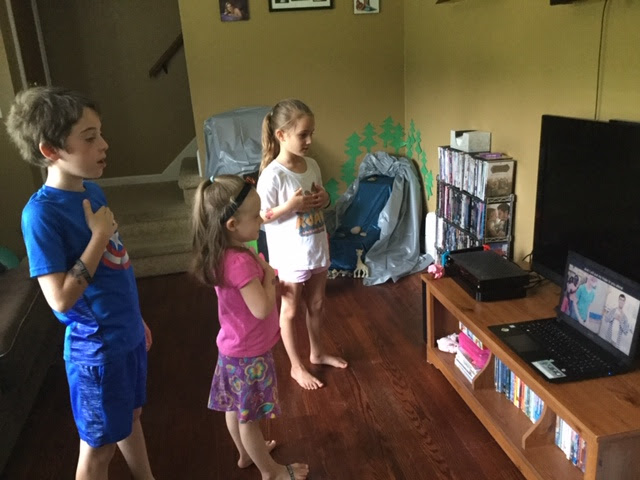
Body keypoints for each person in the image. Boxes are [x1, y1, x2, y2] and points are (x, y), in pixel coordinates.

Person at [5, 86, 154, 480]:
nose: (104, 144)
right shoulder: (40, 215)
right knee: (98, 451)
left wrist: (134, 320)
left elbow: (114, 269)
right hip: (97, 352)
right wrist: (98, 236)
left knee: (132, 415)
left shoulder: (92, 190)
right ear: (50, 150)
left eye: (100, 133)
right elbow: (60, 300)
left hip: (125, 336)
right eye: (89, 138)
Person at [190, 175, 309, 479]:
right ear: (232, 225)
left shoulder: (224, 254)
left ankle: (246, 454)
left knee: (235, 408)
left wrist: (268, 283)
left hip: (232, 348)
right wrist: (269, 278)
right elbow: (261, 309)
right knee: (250, 420)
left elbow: (246, 300)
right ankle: (272, 472)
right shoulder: (239, 262)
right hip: (249, 355)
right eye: (255, 216)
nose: (261, 219)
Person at [257, 99, 348, 390]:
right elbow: (260, 217)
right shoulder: (272, 175)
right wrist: (289, 206)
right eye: (303, 135)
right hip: (290, 255)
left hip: (316, 246)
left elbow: (320, 198)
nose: (309, 141)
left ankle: (317, 352)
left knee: (317, 304)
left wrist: (325, 199)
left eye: (312, 134)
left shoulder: (312, 166)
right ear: (281, 135)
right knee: (290, 310)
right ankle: (296, 367)